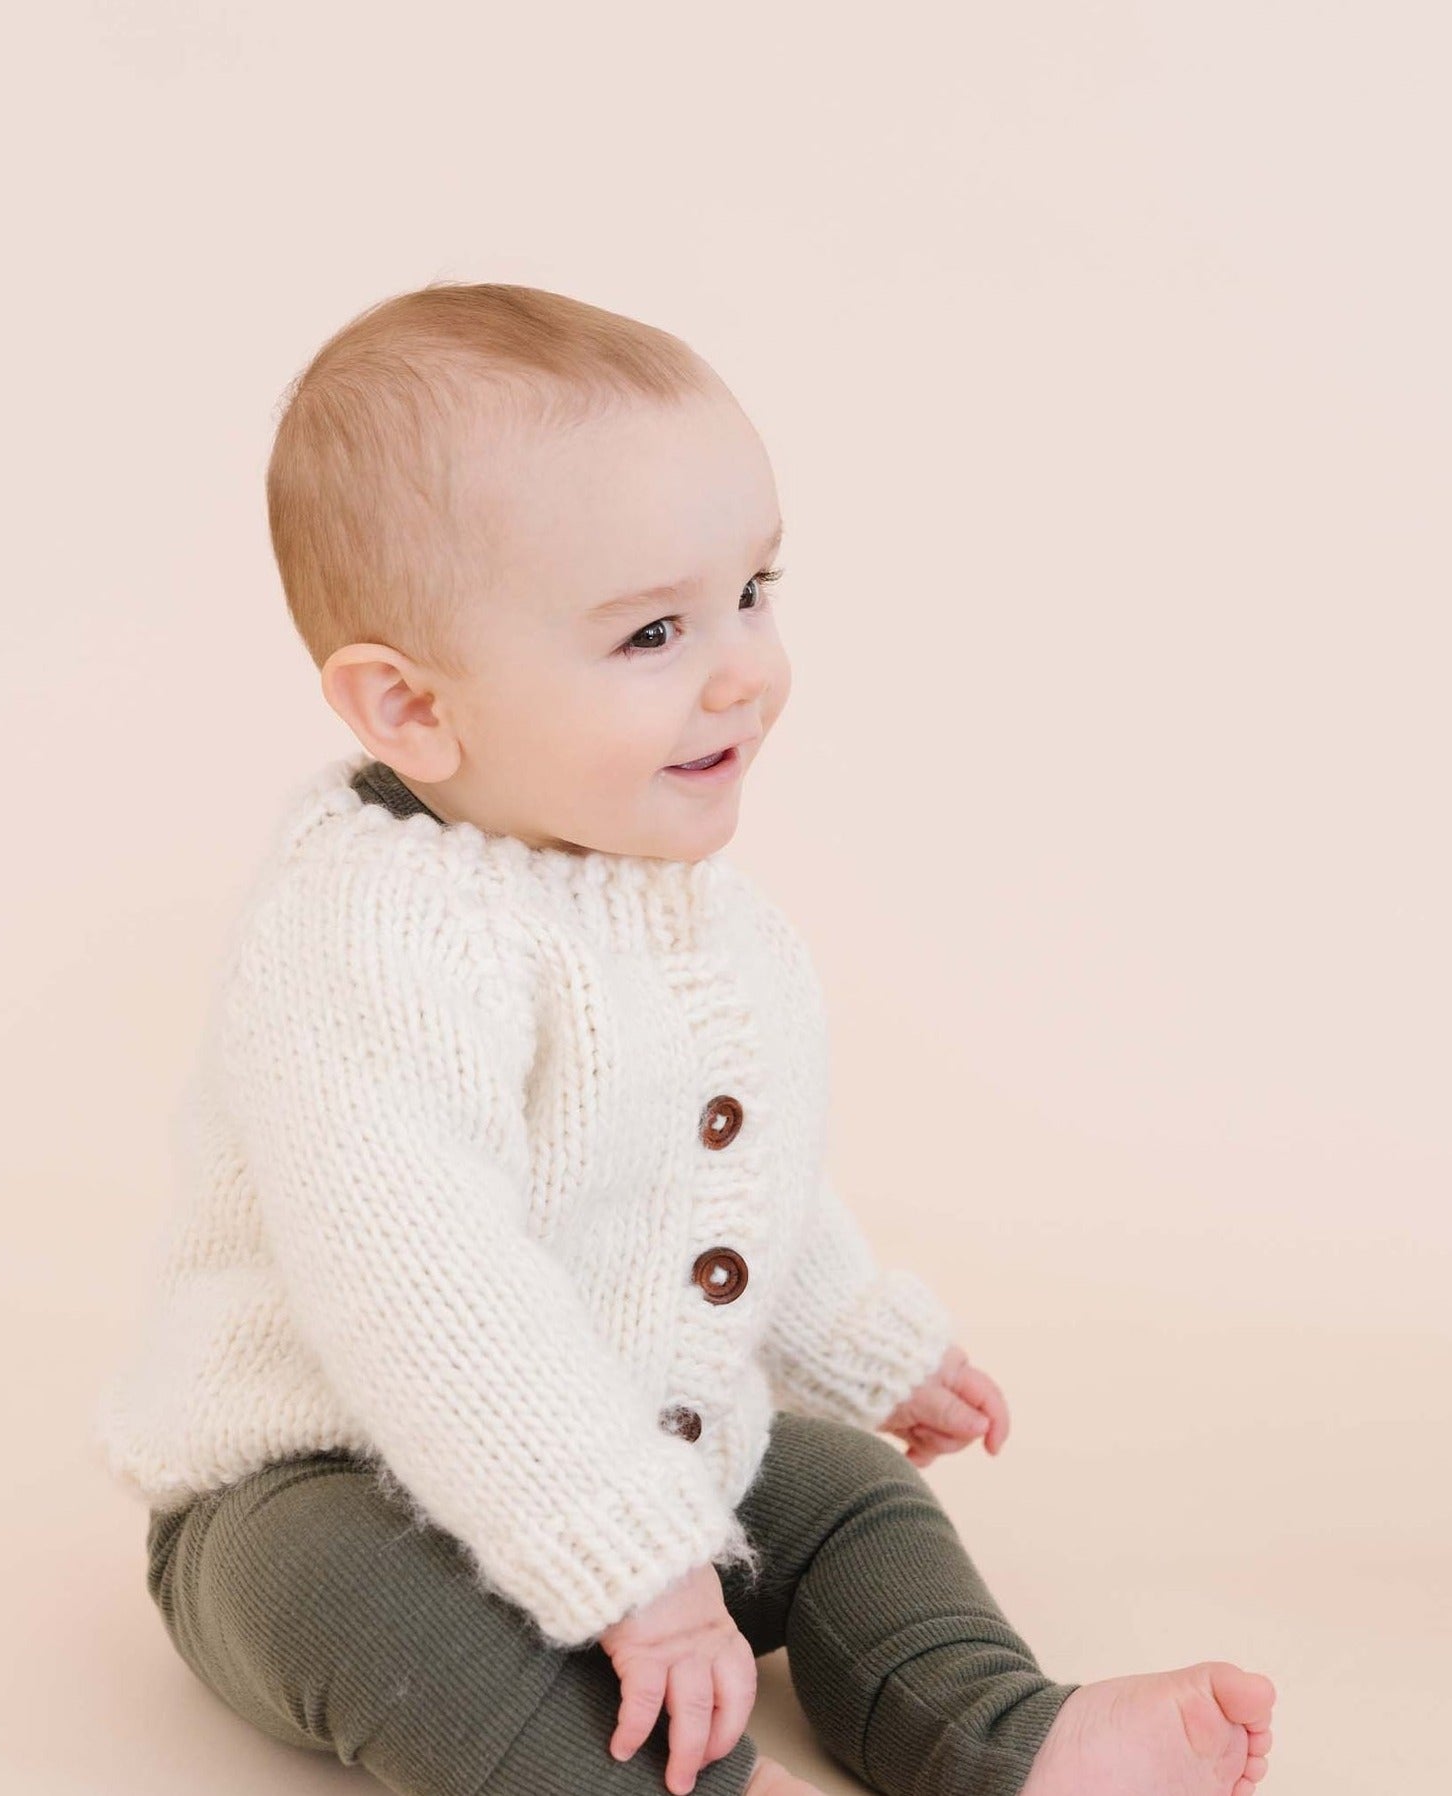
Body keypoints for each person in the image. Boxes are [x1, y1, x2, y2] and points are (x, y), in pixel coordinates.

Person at [92, 281, 1276, 1796]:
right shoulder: (369, 938)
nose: (744, 669)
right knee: (444, 1644)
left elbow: (723, 1160)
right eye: (655, 630)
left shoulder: (671, 890)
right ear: (412, 705)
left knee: (840, 1492)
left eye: (756, 589)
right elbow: (427, 1295)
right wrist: (641, 1574)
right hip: (324, 1479)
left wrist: (852, 1329)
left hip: (621, 1430)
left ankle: (1002, 1734)